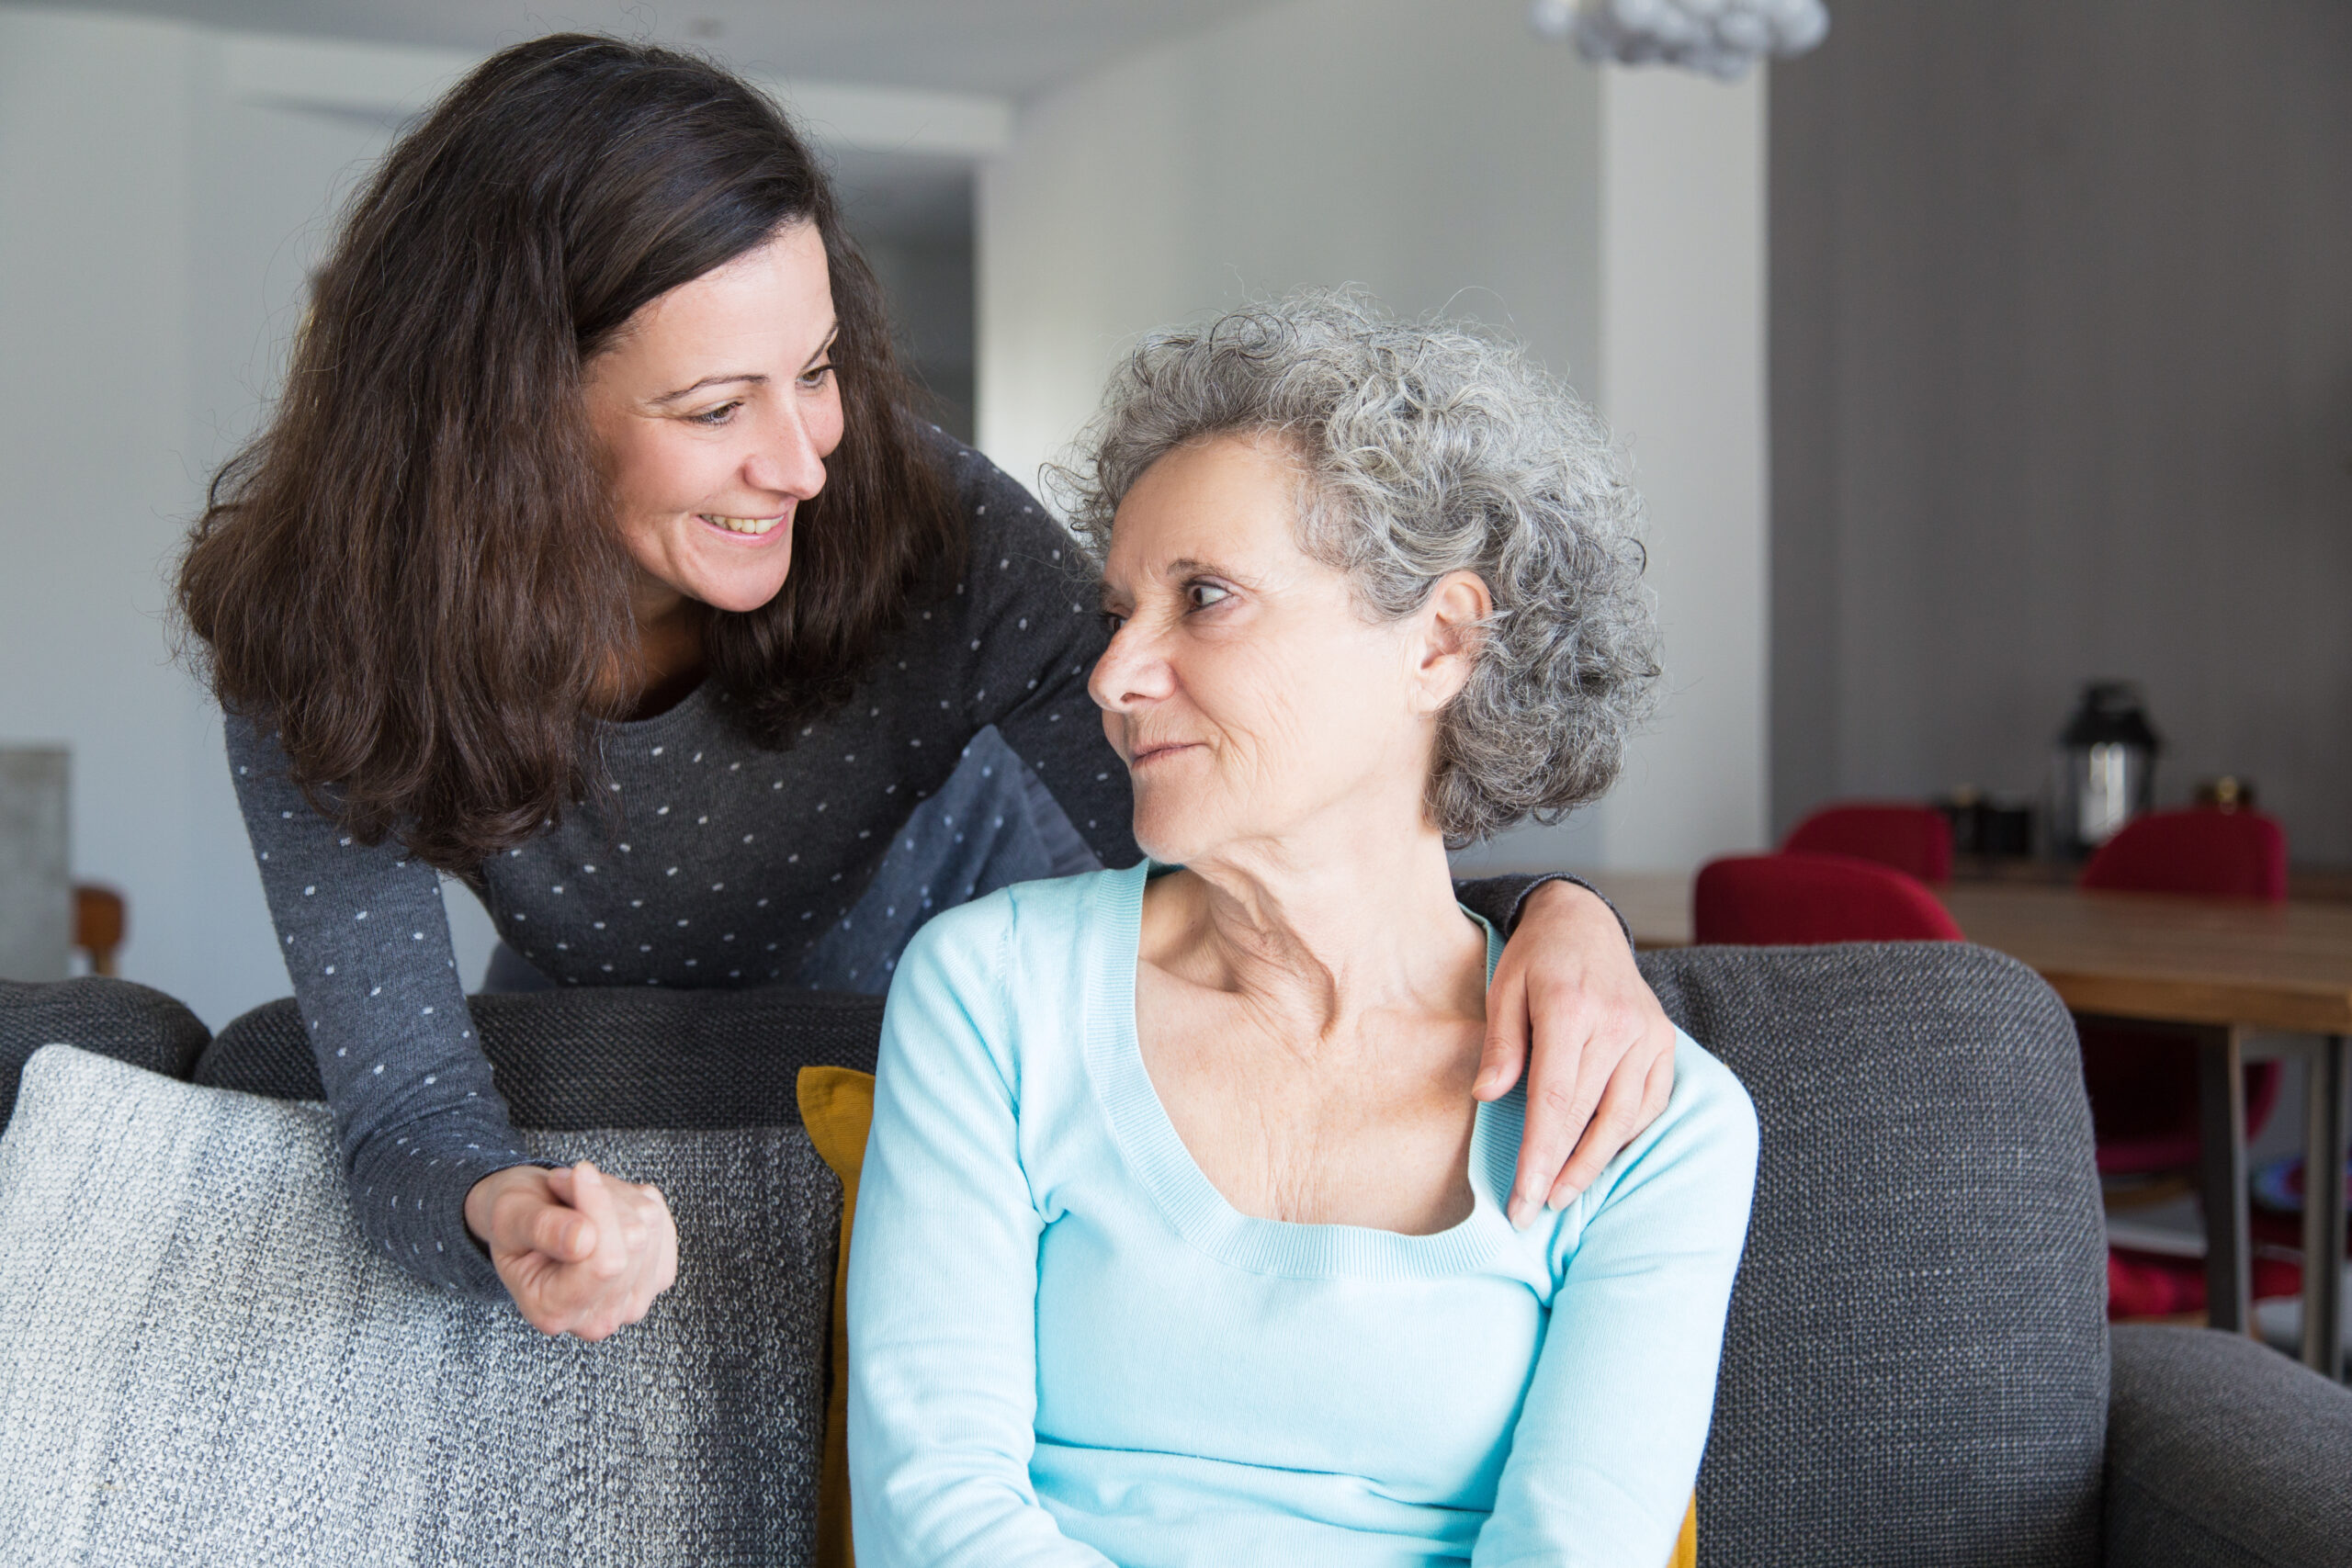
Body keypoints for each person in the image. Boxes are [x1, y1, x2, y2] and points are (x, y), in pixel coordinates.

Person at [176, 36, 1678, 1345]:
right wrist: (507, 1214)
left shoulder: (926, 526)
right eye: (715, 407)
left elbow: (1278, 824)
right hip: (604, 1052)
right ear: (497, 418)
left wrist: (1552, 917)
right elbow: (403, 1120)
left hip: (949, 1044)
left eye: (818, 367)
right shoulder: (326, 640)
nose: (803, 458)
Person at [849, 294, 1760, 1566]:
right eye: (1121, 613)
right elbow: (934, 1517)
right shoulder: (991, 990)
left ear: (1439, 643)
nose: (1113, 676)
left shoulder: (1650, 1122)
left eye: (1206, 597)